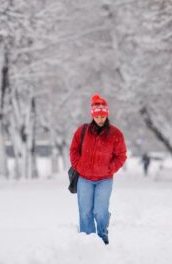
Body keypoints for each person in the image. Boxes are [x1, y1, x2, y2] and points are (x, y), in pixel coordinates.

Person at [69, 94, 127, 245]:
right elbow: (73, 150)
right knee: (85, 211)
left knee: (100, 211)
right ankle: (88, 240)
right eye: (97, 116)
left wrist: (109, 168)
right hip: (84, 179)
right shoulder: (82, 131)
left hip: (104, 179)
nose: (100, 119)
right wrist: (78, 165)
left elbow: (121, 156)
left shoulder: (115, 134)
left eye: (103, 116)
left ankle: (102, 237)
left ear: (106, 115)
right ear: (93, 115)